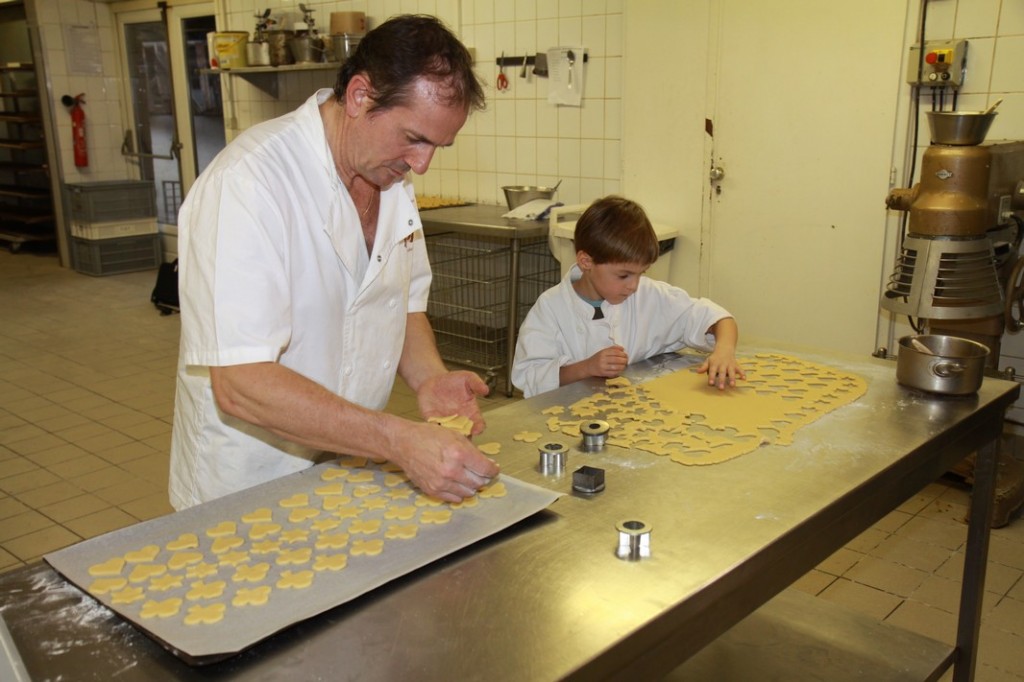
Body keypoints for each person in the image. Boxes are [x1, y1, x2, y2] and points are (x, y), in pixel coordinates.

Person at [169, 15, 499, 510]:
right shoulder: (248, 184)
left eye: (437, 146)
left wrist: (430, 378)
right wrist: (397, 440)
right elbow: (240, 382)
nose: (422, 164)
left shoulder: (392, 185)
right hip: (249, 482)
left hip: (346, 463)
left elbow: (398, 304)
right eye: (414, 138)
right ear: (361, 96)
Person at [512, 196, 744, 398]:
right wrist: (586, 368)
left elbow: (716, 318)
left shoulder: (649, 295)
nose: (633, 285)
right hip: (567, 418)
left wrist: (724, 350)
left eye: (641, 273)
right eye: (623, 275)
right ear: (586, 262)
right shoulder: (551, 308)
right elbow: (529, 376)